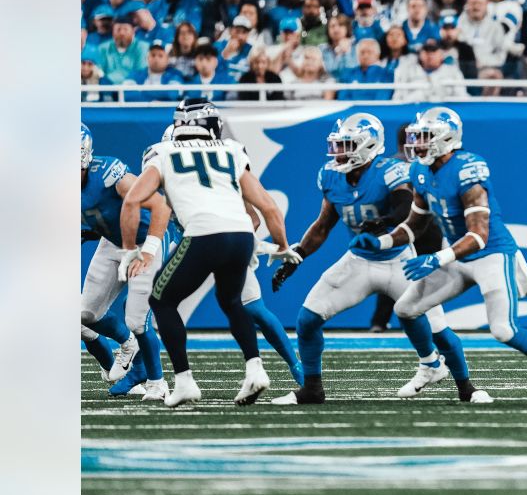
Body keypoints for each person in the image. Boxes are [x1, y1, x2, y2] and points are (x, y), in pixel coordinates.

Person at [351, 107, 527, 405]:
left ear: (446, 138)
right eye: (416, 137)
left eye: (424, 137)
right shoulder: (420, 170)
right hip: (460, 255)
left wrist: (437, 259)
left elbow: (478, 236)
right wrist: (383, 241)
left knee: (504, 329)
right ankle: (430, 365)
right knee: (406, 308)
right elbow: (416, 221)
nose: (417, 144)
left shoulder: (468, 168)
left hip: (491, 253)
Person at [265, 113, 485, 405]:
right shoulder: (330, 175)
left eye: (346, 144)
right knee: (307, 319)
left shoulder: (391, 170)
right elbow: (322, 224)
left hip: (399, 260)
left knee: (438, 329)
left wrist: (382, 223)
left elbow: (405, 206)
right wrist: (299, 255)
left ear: (367, 146)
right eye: (337, 144)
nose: (338, 152)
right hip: (359, 260)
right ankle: (312, 389)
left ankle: (466, 387)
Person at [121, 98, 296, 407]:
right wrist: (282, 246)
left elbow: (133, 201)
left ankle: (185, 381)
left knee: (161, 300)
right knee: (232, 302)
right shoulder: (230, 149)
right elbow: (267, 206)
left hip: (203, 234)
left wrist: (130, 249)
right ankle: (255, 369)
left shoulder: (162, 152)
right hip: (241, 235)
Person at [80, 124, 176, 400]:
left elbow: (160, 206)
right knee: (86, 315)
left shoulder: (110, 173)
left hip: (144, 242)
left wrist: (149, 250)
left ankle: (157, 383)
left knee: (138, 320)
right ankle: (127, 343)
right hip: (112, 243)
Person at [392, 40, 465, 101]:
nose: (430, 55)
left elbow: (461, 97)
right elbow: (398, 97)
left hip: (445, 112)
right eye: (426, 51)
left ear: (441, 54)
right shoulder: (408, 71)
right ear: (420, 54)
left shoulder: (453, 71)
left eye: (434, 51)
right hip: (414, 111)